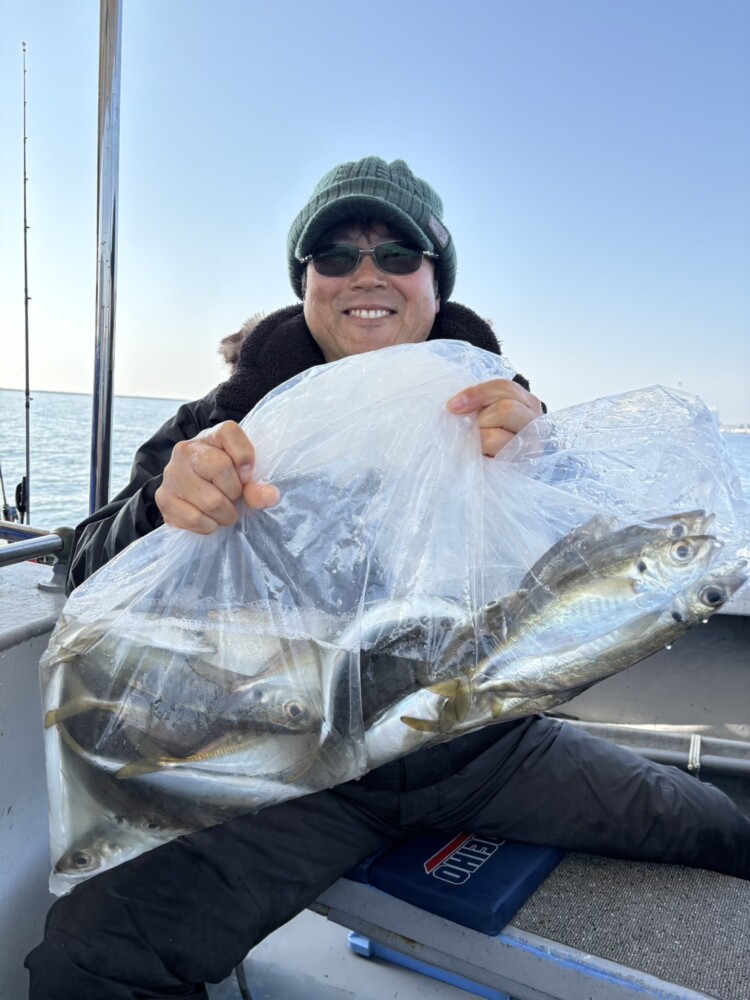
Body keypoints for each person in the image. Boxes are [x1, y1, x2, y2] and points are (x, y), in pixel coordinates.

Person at [27, 157, 750, 999]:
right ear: (304, 283)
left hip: (487, 749)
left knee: (720, 827)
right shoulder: (222, 426)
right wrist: (162, 506)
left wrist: (545, 466)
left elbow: (594, 583)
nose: (365, 274)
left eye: (397, 252)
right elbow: (81, 565)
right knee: (94, 959)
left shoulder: (500, 412)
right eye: (334, 254)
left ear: (434, 284)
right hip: (293, 769)